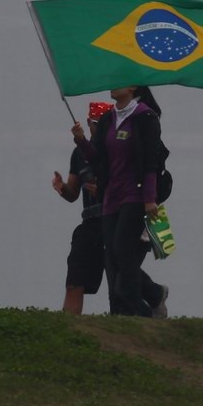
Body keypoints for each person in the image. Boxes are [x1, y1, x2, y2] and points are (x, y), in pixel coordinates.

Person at [72, 85, 169, 318]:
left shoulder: (145, 117)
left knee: (121, 250)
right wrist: (82, 141)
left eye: (119, 82)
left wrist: (149, 200)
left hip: (135, 196)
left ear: (133, 88)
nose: (112, 86)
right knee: (112, 256)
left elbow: (150, 162)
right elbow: (98, 157)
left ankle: (137, 308)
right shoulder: (109, 118)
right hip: (111, 196)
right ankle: (148, 298)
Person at [52, 101, 111, 315]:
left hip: (115, 221)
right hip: (90, 222)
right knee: (75, 279)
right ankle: (69, 329)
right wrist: (62, 188)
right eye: (97, 124)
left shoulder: (117, 150)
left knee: (122, 281)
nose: (101, 129)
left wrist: (105, 192)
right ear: (89, 123)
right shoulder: (79, 155)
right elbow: (73, 193)